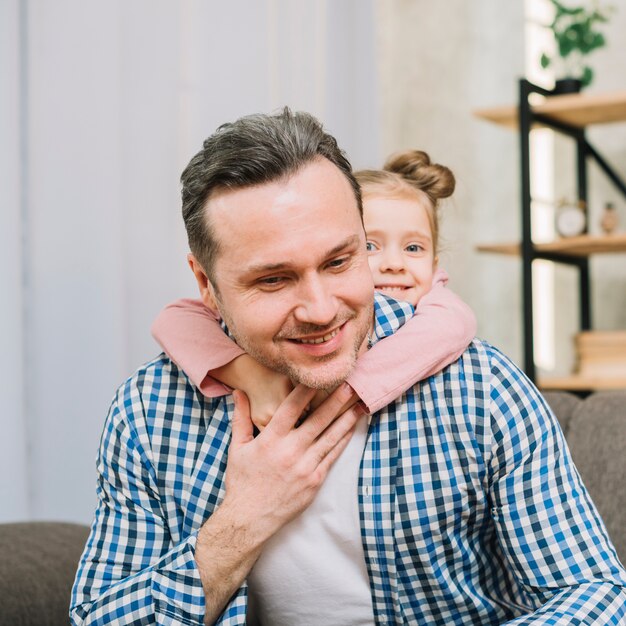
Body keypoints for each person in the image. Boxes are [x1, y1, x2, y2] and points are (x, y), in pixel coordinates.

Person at [71, 109, 626, 626]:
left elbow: (595, 592)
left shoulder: (478, 387)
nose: (321, 310)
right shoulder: (148, 412)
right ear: (205, 286)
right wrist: (243, 521)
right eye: (273, 279)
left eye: (340, 261)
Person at [150, 149, 473, 429]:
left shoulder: (443, 315)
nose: (394, 263)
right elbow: (175, 319)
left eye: (414, 248)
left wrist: (342, 396)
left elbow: (452, 325)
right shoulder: (149, 402)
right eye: (372, 245)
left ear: (435, 263)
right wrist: (249, 377)